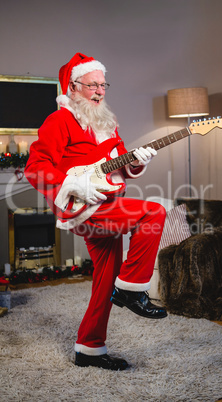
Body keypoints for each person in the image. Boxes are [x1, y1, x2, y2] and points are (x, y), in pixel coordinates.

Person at [25, 52, 167, 371]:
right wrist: (72, 184)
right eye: (93, 85)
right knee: (153, 213)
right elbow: (35, 167)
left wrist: (136, 162)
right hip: (84, 209)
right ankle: (131, 290)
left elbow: (115, 169)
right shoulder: (60, 120)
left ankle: (89, 348)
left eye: (104, 85)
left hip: (108, 202)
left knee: (105, 278)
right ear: (74, 87)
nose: (100, 91)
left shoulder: (107, 122)